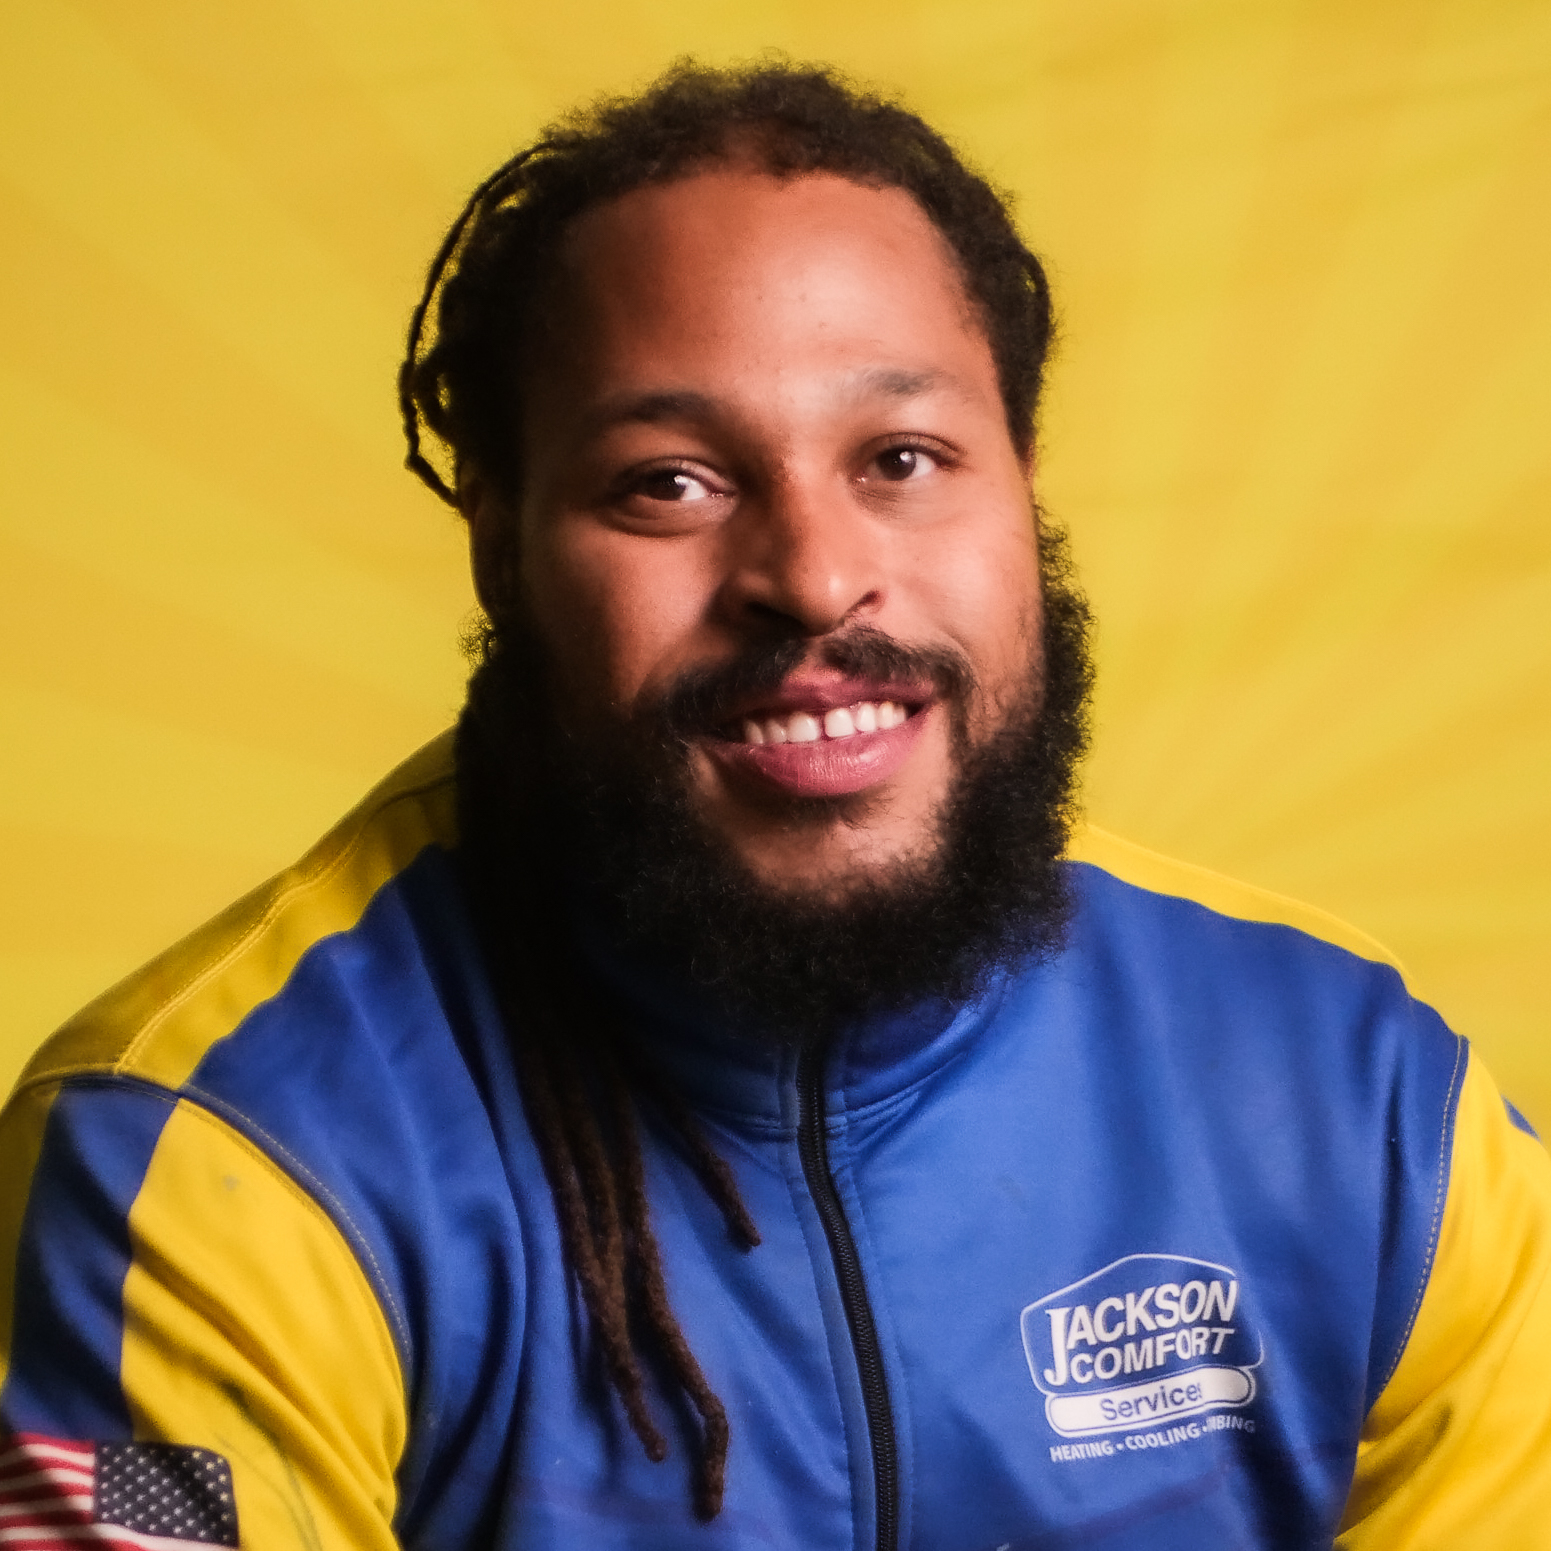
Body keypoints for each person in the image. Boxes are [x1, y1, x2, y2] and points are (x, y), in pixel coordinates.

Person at [1, 60, 1547, 1551]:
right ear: (501, 551)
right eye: (669, 481)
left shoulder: (1369, 1110)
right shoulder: (203, 1163)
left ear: (1026, 491)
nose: (810, 575)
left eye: (903, 457)